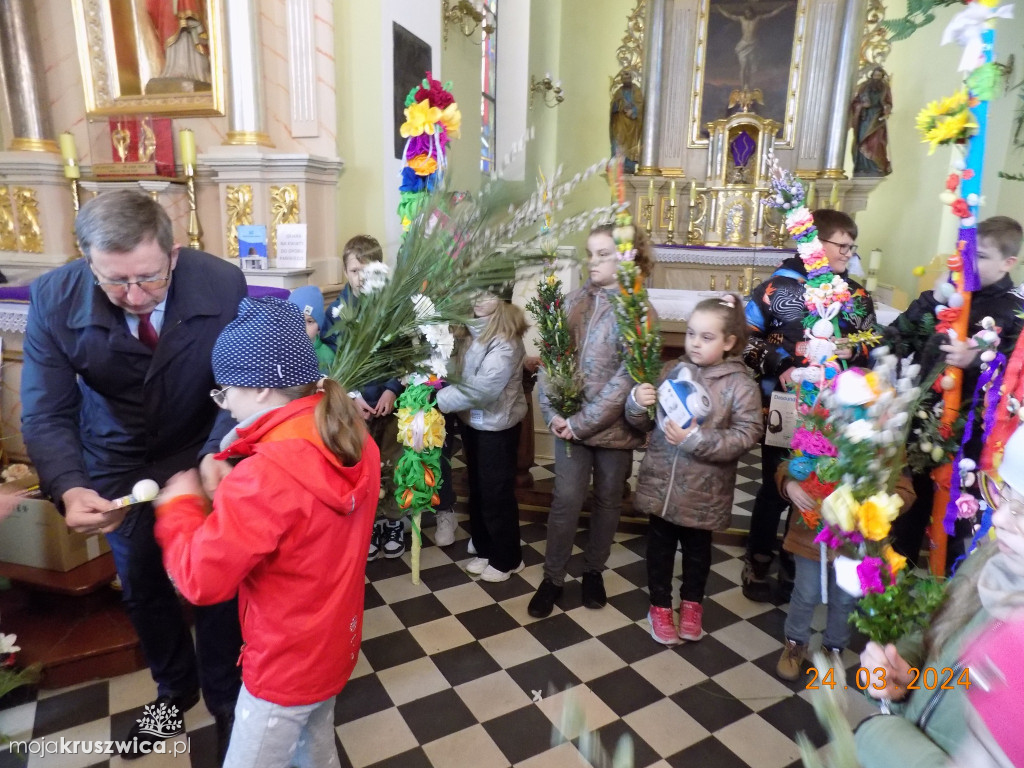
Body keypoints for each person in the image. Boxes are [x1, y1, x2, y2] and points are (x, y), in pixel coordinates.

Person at [20, 190, 244, 759]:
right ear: (85, 260)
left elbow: (242, 383)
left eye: (149, 278)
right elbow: (46, 409)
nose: (135, 296)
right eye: (115, 282)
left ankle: (225, 698)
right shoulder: (53, 296)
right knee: (141, 584)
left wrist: (216, 453)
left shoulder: (220, 283)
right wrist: (70, 485)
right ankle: (174, 689)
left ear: (174, 254)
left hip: (201, 445)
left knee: (217, 581)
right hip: (115, 456)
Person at [153, 296, 380, 768]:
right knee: (315, 750)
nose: (224, 404)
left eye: (224, 391)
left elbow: (200, 579)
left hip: (283, 663)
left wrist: (179, 508)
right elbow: (309, 526)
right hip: (335, 644)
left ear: (258, 390)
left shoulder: (265, 476)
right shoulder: (355, 437)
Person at [853, 425, 1024, 767]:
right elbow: (934, 633)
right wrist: (904, 673)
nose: (1001, 516)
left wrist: (880, 735)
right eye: (1004, 493)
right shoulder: (993, 560)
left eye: (1022, 510)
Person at [742, 209, 876, 602]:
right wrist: (781, 364)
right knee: (775, 484)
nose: (848, 254)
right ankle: (758, 556)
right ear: (816, 244)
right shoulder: (775, 290)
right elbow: (746, 341)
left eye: (852, 247)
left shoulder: (854, 296)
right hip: (783, 403)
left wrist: (848, 350)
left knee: (817, 484)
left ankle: (794, 559)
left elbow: (872, 344)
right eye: (842, 246)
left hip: (834, 411)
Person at [528, 223, 650, 618]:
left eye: (602, 254)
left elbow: (625, 381)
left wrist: (580, 422)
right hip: (568, 425)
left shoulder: (638, 310)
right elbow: (551, 355)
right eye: (590, 253)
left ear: (626, 257)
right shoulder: (575, 300)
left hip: (612, 428)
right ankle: (553, 577)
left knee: (609, 498)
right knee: (565, 500)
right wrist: (554, 414)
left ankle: (594, 570)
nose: (592, 261)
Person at [888, 216, 1023, 568]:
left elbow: (1013, 374)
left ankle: (943, 592)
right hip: (923, 424)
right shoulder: (950, 293)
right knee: (908, 507)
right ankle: (896, 582)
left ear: (1008, 262)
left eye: (980, 256)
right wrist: (932, 297)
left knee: (955, 520)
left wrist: (976, 360)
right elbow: (899, 335)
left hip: (968, 437)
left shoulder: (1013, 311)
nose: (968, 264)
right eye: (966, 253)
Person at [627, 295, 763, 644]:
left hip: (704, 490)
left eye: (707, 337)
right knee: (658, 548)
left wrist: (697, 440)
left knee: (697, 552)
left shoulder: (739, 384)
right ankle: (659, 606)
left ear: (729, 342)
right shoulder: (672, 370)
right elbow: (644, 423)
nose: (695, 343)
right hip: (662, 484)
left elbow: (748, 433)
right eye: (691, 334)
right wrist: (635, 403)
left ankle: (691, 604)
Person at [774, 466, 915, 680]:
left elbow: (905, 490)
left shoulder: (886, 439)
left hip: (855, 541)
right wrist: (789, 484)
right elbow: (789, 466)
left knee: (845, 598)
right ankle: (795, 643)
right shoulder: (819, 431)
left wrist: (876, 505)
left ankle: (833, 647)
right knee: (806, 593)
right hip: (810, 535)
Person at [321, 235, 413, 558]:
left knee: (391, 459)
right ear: (346, 271)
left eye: (368, 270)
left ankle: (393, 520)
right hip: (354, 404)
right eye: (355, 270)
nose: (361, 278)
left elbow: (401, 353)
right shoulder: (336, 313)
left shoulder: (390, 308)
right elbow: (333, 360)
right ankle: (370, 521)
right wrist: (352, 396)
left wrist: (391, 388)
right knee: (361, 463)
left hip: (388, 401)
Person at [436, 284, 528, 582]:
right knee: (478, 487)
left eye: (487, 294)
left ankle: (508, 558)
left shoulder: (506, 339)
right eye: (476, 291)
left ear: (502, 299)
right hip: (473, 423)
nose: (478, 299)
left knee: (496, 492)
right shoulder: (470, 330)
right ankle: (487, 548)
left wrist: (436, 399)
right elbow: (458, 371)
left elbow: (483, 389)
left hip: (497, 427)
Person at [850, 66, 893, 177]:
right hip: (864, 118)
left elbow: (888, 102)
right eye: (875, 75)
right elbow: (855, 103)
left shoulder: (884, 88)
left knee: (876, 141)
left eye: (879, 76)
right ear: (871, 75)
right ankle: (862, 167)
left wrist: (887, 108)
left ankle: (877, 166)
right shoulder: (864, 87)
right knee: (862, 140)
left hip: (878, 118)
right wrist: (862, 105)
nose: (876, 78)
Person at [288, 285, 333, 372]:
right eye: (297, 319)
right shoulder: (282, 350)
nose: (303, 327)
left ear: (318, 328)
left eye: (310, 321)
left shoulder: (327, 355)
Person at [609, 72, 643, 173]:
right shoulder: (618, 92)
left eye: (628, 78)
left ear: (631, 79)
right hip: (620, 122)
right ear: (621, 80)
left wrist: (633, 111)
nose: (626, 80)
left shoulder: (636, 90)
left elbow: (640, 104)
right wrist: (618, 105)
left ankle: (628, 163)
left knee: (630, 144)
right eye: (624, 79)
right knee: (618, 140)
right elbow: (613, 107)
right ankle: (619, 162)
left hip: (632, 125)